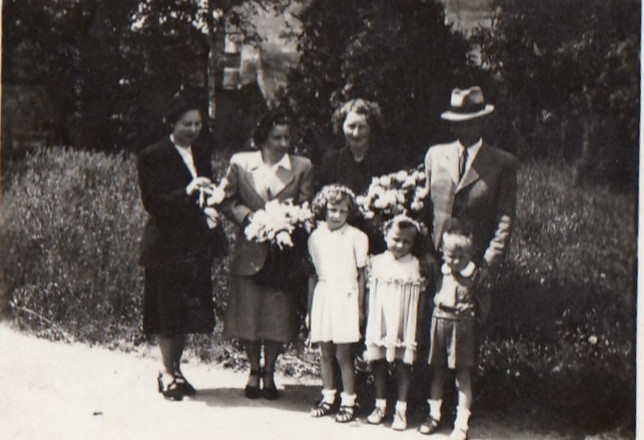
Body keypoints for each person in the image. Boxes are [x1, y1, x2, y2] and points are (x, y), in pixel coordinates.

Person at [221, 108, 314, 400]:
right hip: (250, 249)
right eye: (277, 138)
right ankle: (253, 369)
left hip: (282, 252)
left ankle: (270, 371)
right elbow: (226, 200)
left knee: (277, 316)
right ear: (263, 138)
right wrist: (249, 218)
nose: (284, 143)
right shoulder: (240, 163)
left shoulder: (302, 166)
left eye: (287, 137)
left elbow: (307, 205)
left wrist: (287, 219)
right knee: (248, 314)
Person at [137, 93, 224, 401]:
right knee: (166, 310)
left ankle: (176, 368)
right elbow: (153, 203)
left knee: (185, 312)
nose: (193, 130)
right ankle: (165, 372)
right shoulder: (153, 155)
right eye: (187, 124)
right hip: (165, 245)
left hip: (193, 243)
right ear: (171, 122)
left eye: (198, 124)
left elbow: (206, 189)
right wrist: (188, 190)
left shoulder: (201, 151)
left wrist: (209, 202)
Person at [423, 86, 518, 321]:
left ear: (482, 122)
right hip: (437, 261)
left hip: (474, 263)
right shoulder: (435, 155)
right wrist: (425, 252)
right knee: (432, 325)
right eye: (457, 123)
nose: (462, 129)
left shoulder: (501, 163)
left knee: (470, 327)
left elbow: (505, 219)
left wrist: (489, 263)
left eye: (470, 122)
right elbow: (424, 208)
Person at [307, 184, 368, 423]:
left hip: (346, 296)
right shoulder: (315, 237)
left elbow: (361, 276)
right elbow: (313, 275)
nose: (337, 215)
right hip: (324, 295)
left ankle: (349, 401)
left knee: (343, 354)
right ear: (324, 208)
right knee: (325, 352)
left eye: (343, 211)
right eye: (333, 209)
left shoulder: (357, 237)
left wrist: (360, 308)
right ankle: (328, 397)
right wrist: (310, 311)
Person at [421, 219, 481, 440]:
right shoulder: (441, 272)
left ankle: (461, 423)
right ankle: (434, 415)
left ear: (471, 254)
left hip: (462, 329)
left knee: (462, 376)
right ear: (443, 253)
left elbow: (483, 306)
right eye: (451, 256)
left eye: (462, 256)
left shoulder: (474, 276)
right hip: (440, 325)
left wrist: (474, 321)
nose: (456, 261)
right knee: (437, 372)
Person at [364, 215, 425, 431]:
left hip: (403, 323)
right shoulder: (377, 262)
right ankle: (380, 405)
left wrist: (416, 325)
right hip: (381, 320)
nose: (400, 245)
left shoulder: (416, 265)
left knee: (402, 366)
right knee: (378, 362)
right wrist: (368, 317)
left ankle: (401, 409)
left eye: (406, 241)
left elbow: (420, 299)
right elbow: (369, 293)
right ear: (385, 235)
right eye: (396, 239)